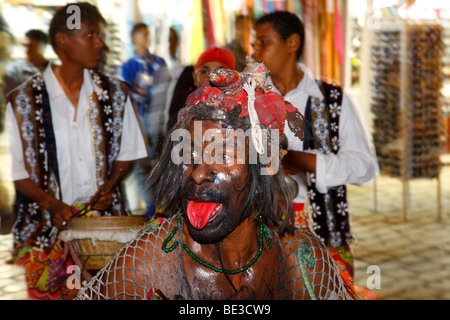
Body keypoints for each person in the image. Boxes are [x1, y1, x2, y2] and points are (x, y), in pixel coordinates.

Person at [75, 61, 378, 300]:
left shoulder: (300, 260)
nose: (197, 171)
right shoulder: (150, 262)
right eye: (189, 153)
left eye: (222, 154)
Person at [5, 2, 148, 300]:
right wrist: (53, 204)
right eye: (91, 34)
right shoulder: (22, 101)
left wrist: (109, 186)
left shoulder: (116, 93)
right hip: (45, 235)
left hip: (105, 234)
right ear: (62, 41)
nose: (101, 43)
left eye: (100, 35)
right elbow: (19, 174)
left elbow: (127, 154)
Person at [252, 11, 379, 278]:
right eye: (255, 44)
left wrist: (305, 161)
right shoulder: (248, 99)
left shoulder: (331, 99)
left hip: (323, 232)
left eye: (264, 42)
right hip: (257, 234)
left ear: (292, 43)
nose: (255, 52)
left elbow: (365, 167)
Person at [121, 22, 170, 218]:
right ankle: (153, 208)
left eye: (148, 34)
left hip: (159, 122)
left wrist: (143, 92)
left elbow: (165, 90)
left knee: (158, 164)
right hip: (139, 121)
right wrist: (149, 93)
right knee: (141, 165)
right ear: (134, 38)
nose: (147, 38)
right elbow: (129, 93)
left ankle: (157, 208)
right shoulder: (128, 66)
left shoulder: (158, 62)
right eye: (143, 34)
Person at [166, 46, 236, 131]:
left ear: (232, 79)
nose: (211, 77)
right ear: (195, 77)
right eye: (205, 72)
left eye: (219, 72)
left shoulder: (238, 116)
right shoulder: (183, 117)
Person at [3, 29, 49, 96]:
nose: (26, 50)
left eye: (31, 46)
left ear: (43, 47)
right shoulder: (14, 71)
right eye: (24, 45)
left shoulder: (55, 69)